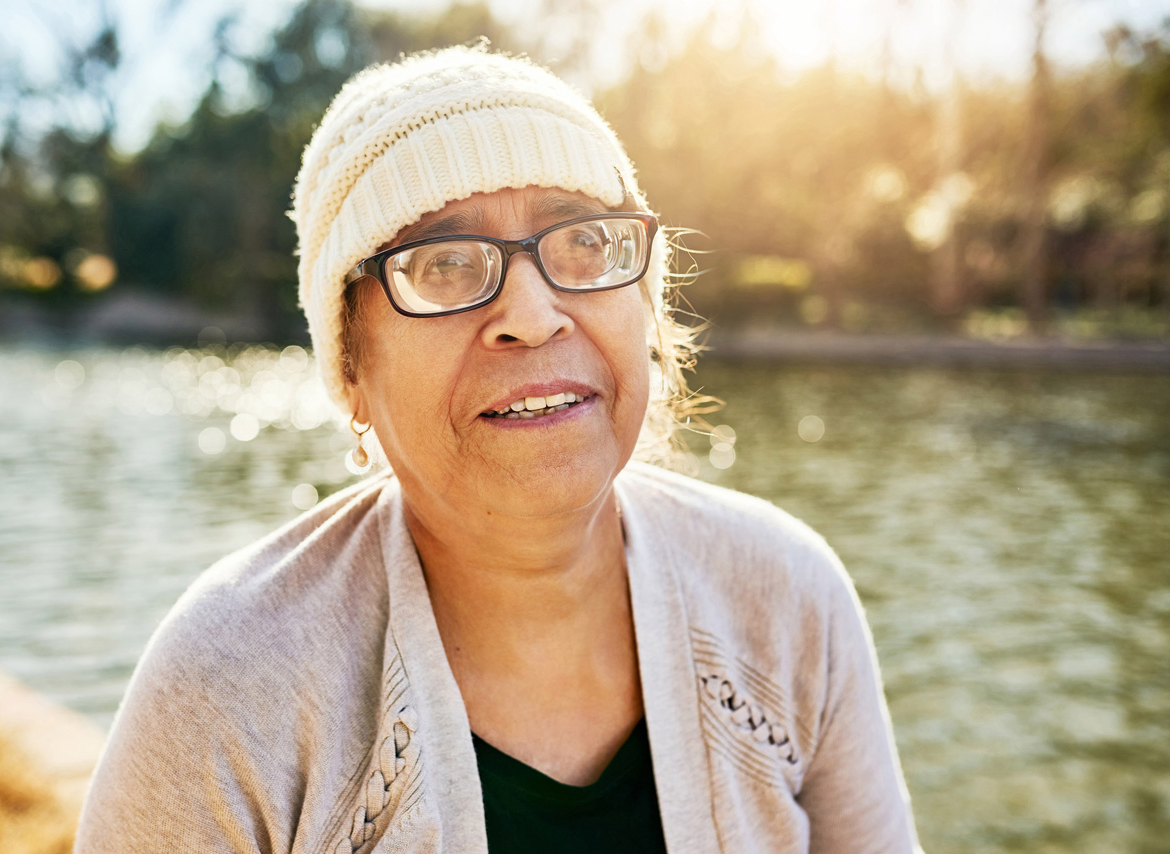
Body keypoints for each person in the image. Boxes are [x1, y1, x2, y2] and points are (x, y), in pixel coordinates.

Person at [75, 45, 921, 853]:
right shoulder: (228, 686)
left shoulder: (787, 599)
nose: (534, 312)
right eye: (443, 262)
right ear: (352, 365)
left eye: (585, 242)